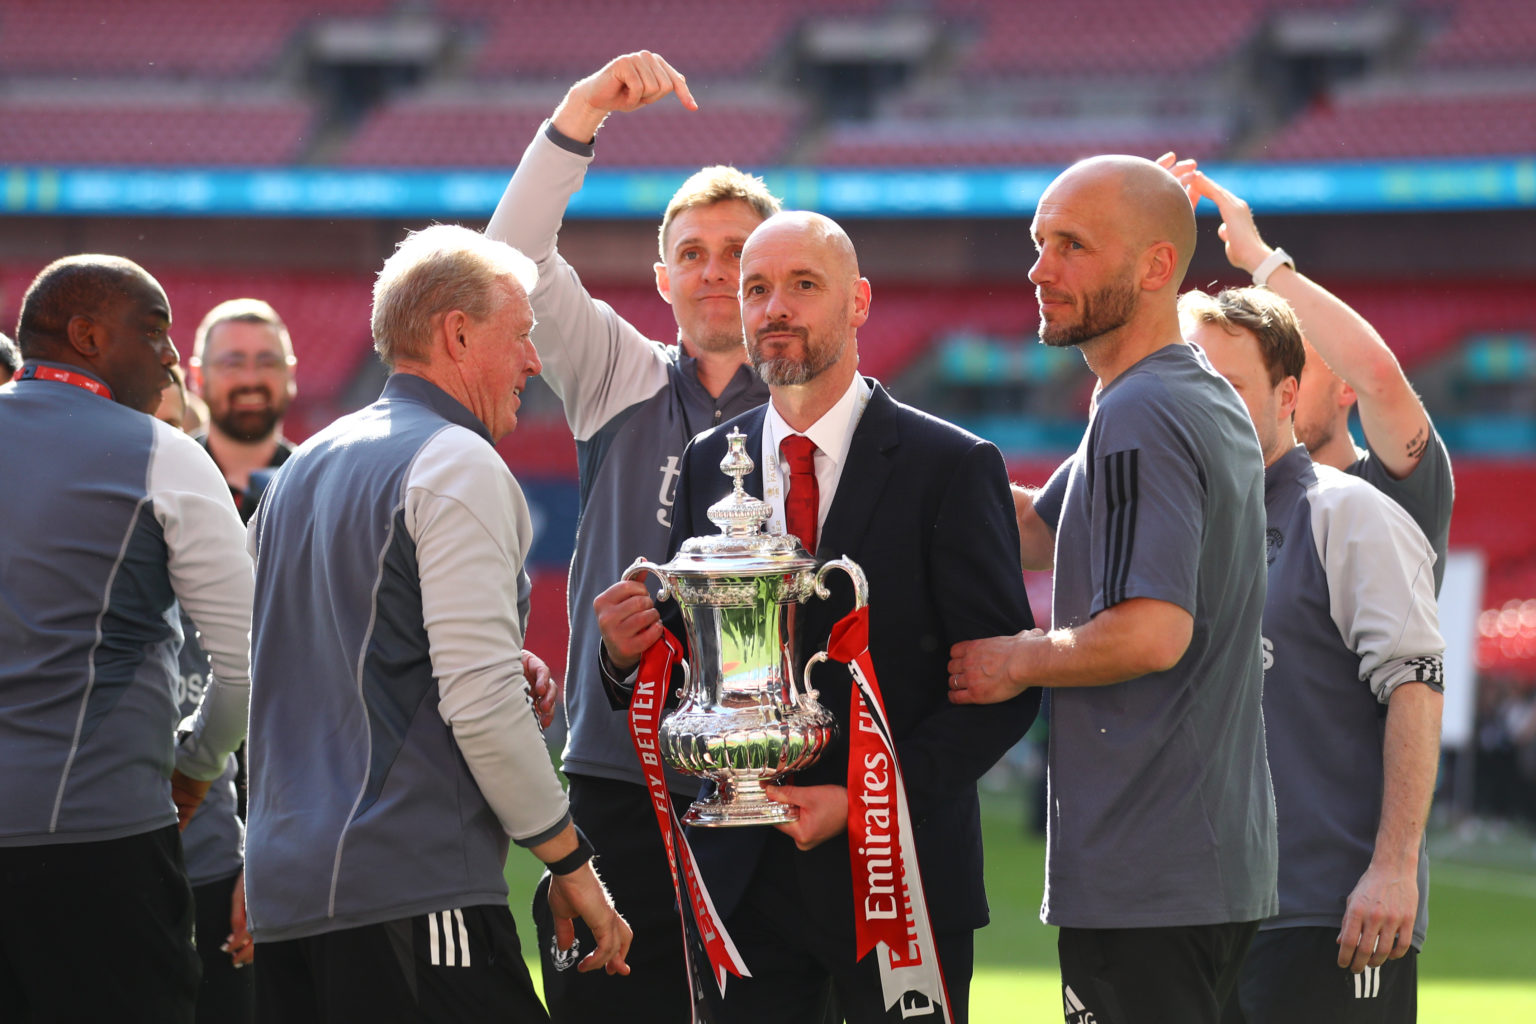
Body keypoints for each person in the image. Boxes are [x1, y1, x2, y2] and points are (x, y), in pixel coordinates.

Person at [596, 210, 1039, 1023]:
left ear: (859, 302)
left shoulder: (954, 465)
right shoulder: (708, 465)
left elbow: (1002, 691)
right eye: (756, 289)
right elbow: (691, 667)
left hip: (898, 879)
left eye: (804, 285)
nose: (775, 309)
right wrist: (625, 658)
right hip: (742, 882)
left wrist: (863, 798)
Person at [243, 224, 630, 1023]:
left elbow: (307, 663)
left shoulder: (298, 469)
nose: (535, 361)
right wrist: (571, 862)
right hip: (410, 892)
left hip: (286, 898)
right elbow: (482, 705)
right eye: (521, 337)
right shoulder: (457, 460)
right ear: (458, 333)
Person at [947, 156, 1277, 1024]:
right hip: (1195, 864)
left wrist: (1013, 660)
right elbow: (1044, 531)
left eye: (1073, 246)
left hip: (1151, 867)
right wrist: (892, 466)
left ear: (1156, 267)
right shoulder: (1174, 396)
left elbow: (1150, 633)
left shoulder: (1142, 411)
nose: (1040, 268)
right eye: (1039, 242)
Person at [485, 50, 778, 1020]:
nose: (715, 272)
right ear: (662, 277)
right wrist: (580, 114)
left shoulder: (819, 412)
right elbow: (514, 258)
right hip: (618, 775)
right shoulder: (622, 374)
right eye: (693, 252)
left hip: (772, 780)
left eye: (739, 253)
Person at [0, 255, 253, 1022]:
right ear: (84, 336)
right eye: (154, 332)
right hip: (100, 841)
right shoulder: (165, 454)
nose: (174, 357)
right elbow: (248, 664)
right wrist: (198, 766)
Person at [1182, 286, 1444, 1023]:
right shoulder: (1177, 525)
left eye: (1228, 387)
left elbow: (1418, 687)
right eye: (1192, 386)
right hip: (1194, 913)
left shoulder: (1347, 511)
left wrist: (1392, 870)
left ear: (1288, 394)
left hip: (1326, 913)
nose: (1208, 407)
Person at [1171, 164, 1453, 587]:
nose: (1272, 389)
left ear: (1346, 386)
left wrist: (1259, 260)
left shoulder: (1392, 491)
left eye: (1292, 369)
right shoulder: (1217, 501)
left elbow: (1378, 374)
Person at [155, 366, 257, 1023]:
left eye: (174, 432)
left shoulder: (226, 565)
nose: (161, 451)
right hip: (94, 864)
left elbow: (283, 715)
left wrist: (266, 853)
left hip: (214, 873)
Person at [188, 298, 297, 521]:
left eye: (267, 363)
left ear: (290, 374)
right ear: (198, 377)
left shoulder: (317, 483)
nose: (251, 379)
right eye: (233, 364)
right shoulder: (164, 479)